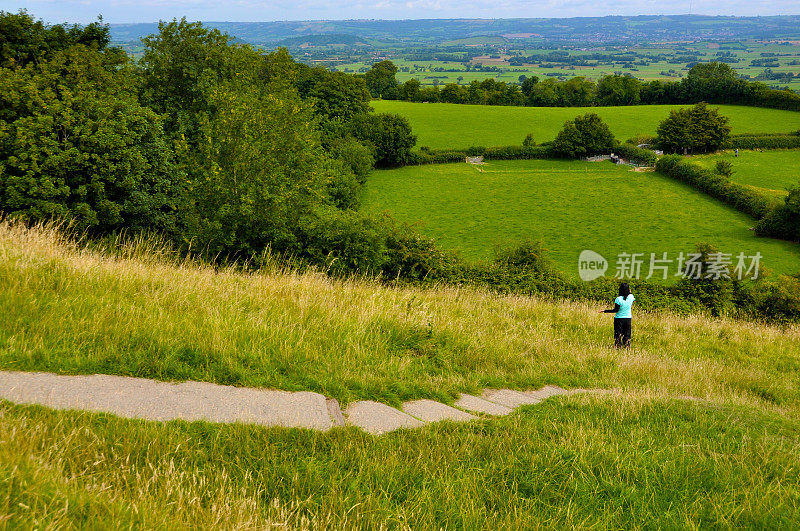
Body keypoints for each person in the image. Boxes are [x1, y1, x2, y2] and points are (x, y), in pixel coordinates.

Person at [600, 283, 635, 348]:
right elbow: (631, 296)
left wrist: (605, 311)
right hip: (628, 319)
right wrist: (629, 292)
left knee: (618, 334)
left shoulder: (618, 299)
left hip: (619, 319)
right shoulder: (631, 297)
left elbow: (616, 310)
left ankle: (618, 346)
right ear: (628, 289)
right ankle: (627, 347)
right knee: (627, 334)